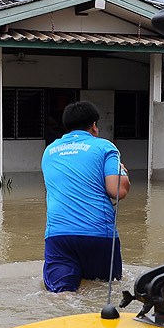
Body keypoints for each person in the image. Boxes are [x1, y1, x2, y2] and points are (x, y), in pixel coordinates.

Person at [41, 100, 130, 293]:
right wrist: (123, 173)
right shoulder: (104, 147)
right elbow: (118, 191)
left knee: (61, 294)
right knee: (105, 290)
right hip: (98, 235)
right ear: (94, 125)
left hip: (58, 236)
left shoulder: (49, 151)